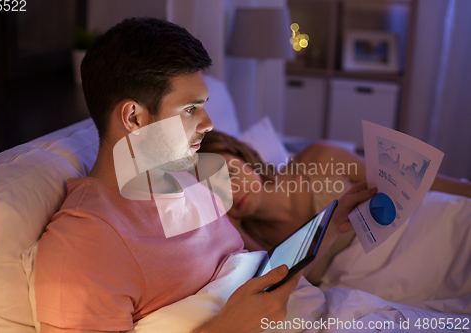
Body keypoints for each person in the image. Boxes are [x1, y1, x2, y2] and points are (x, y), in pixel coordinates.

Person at [35, 17, 377, 333]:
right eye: (190, 109)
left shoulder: (192, 184)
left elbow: (254, 267)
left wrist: (325, 231)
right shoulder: (87, 245)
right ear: (134, 118)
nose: (208, 123)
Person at [197, 130, 471, 284]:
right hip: (393, 276)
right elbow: (271, 284)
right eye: (219, 195)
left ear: (243, 156)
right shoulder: (253, 244)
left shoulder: (319, 158)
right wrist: (230, 225)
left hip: (422, 225)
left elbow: (409, 183)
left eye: (230, 174)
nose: (233, 193)